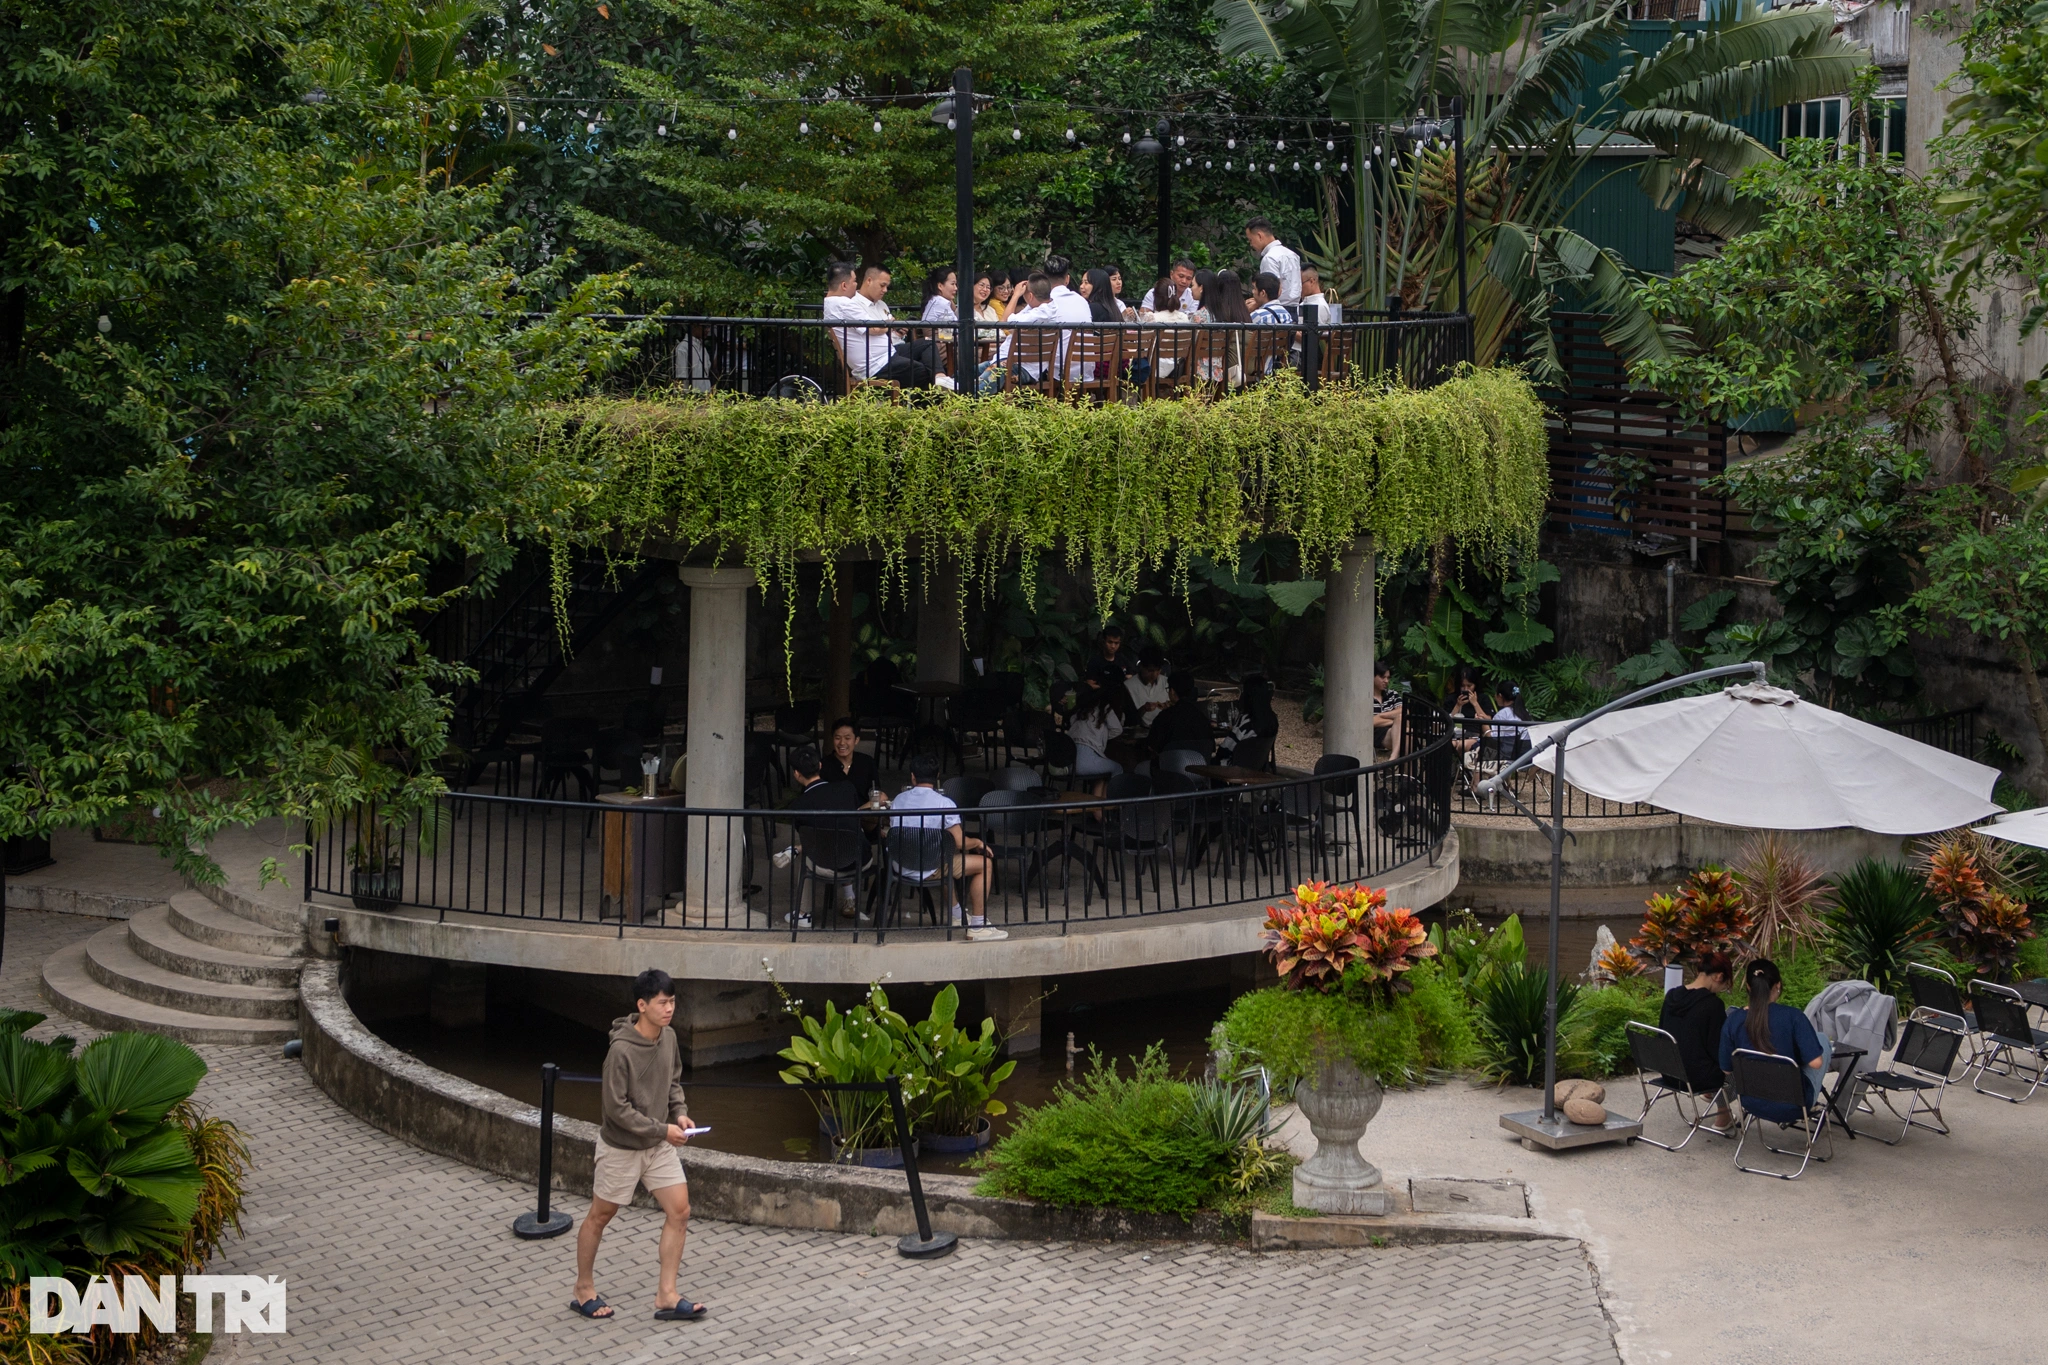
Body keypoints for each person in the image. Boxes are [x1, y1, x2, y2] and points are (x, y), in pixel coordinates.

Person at [571, 969, 703, 1323]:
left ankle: (667, 1295)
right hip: (622, 1148)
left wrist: (681, 1114)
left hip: (658, 1145)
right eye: (662, 1003)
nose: (669, 1009)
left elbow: (673, 1082)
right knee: (601, 1216)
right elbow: (616, 1110)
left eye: (673, 1002)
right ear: (642, 1005)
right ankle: (583, 1288)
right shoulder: (620, 1052)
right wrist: (663, 1130)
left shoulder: (670, 1037)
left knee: (680, 1211)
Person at [889, 752, 1003, 938]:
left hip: (901, 865)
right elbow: (960, 842)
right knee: (984, 865)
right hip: (928, 867)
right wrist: (978, 842)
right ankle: (977, 926)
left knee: (944, 858)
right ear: (938, 776)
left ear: (912, 777)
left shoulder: (898, 800)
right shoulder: (944, 803)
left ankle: (957, 915)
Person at [1719, 958, 1832, 1124]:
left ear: (1749, 987)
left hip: (1751, 1102)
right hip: (1793, 1105)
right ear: (1777, 985)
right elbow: (1816, 1063)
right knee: (1821, 1040)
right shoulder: (1794, 1017)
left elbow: (1726, 1069)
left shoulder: (1734, 1020)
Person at [821, 263, 949, 389]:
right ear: (844, 285)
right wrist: (889, 324)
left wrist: (891, 328)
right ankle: (935, 399)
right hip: (877, 365)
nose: (856, 285)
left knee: (927, 344)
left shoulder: (833, 304)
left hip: (886, 354)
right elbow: (874, 328)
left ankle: (941, 378)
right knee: (924, 371)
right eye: (854, 281)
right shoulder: (844, 304)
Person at [787, 745, 864, 928]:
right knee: (844, 838)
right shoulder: (847, 788)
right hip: (859, 859)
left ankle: (804, 913)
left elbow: (809, 840)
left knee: (807, 854)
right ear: (820, 766)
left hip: (826, 863)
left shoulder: (799, 805)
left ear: (796, 774)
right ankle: (849, 896)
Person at [1659, 952, 1734, 1132]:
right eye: (1724, 984)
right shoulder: (1712, 1005)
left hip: (1669, 1072)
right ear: (1718, 976)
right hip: (1695, 1079)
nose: (1722, 989)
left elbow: (1662, 1034)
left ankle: (1712, 1095)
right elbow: (1718, 1052)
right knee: (1736, 1063)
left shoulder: (1672, 996)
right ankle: (1723, 1114)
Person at [1067, 682, 1126, 792]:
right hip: (1086, 761)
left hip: (1068, 763)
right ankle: (1105, 803)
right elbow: (1117, 729)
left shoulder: (1080, 710)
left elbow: (1071, 722)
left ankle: (1096, 803)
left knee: (1102, 771)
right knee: (1117, 768)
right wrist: (1102, 735)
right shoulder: (1105, 709)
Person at [1147, 671, 1213, 760]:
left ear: (1172, 691)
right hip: (1200, 767)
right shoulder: (1201, 716)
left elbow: (1152, 745)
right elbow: (1211, 746)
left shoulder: (1165, 716)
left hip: (1170, 768)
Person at [1218, 672, 1279, 764]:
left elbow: (1225, 749)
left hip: (1233, 770)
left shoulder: (1246, 721)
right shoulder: (1272, 720)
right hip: (1255, 768)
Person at [1245, 215, 1302, 303]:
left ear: (1259, 236)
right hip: (1294, 309)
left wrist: (1256, 304)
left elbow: (1271, 292)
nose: (1251, 244)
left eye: (1250, 240)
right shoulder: (1293, 255)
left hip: (1276, 308)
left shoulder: (1270, 258)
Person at [821, 716, 880, 798]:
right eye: (837, 738)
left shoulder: (867, 763)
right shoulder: (822, 766)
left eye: (847, 738)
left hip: (863, 810)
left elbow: (877, 794)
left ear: (856, 740)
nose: (842, 743)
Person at [1445, 664, 1490, 757]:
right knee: (1449, 745)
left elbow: (1488, 719)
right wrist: (1457, 706)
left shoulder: (1483, 698)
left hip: (1474, 735)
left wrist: (1475, 703)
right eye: (1463, 686)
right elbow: (1447, 718)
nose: (1466, 689)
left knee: (1462, 745)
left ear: (1475, 685)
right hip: (1455, 735)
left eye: (1469, 686)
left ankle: (1462, 769)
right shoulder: (1451, 698)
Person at [1489, 683, 1532, 760]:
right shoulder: (1525, 712)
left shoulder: (1502, 714)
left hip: (1506, 755)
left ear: (1500, 696)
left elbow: (1493, 740)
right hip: (1525, 756)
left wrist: (1483, 724)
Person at [1125, 650, 1170, 720]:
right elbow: (1128, 718)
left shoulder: (1167, 682)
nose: (1154, 675)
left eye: (1157, 670)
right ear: (1141, 667)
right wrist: (1144, 709)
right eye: (1150, 671)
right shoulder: (1128, 686)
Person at [1372, 662, 1404, 759]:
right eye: (1382, 677)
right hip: (1375, 735)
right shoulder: (1366, 697)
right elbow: (1370, 722)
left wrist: (1380, 716)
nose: (1386, 681)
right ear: (1372, 676)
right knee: (1405, 731)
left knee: (1406, 733)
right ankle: (1404, 771)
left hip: (1394, 733)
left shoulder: (1392, 694)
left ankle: (1394, 758)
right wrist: (1396, 720)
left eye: (1388, 677)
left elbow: (1404, 711)